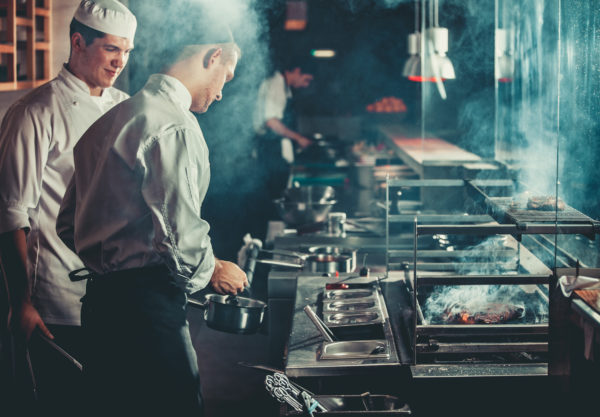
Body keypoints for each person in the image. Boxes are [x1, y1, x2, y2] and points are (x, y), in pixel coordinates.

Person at [55, 13, 246, 416]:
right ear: (212, 57)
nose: (221, 93)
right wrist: (212, 270)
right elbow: (181, 238)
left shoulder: (108, 122)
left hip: (100, 311)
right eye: (225, 77)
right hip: (149, 319)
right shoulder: (173, 126)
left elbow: (68, 223)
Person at [0, 0, 136, 414]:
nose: (120, 61)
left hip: (114, 295)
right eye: (112, 49)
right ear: (78, 41)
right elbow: (10, 212)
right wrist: (21, 301)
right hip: (55, 299)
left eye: (127, 51)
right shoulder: (34, 112)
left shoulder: (124, 106)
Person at [248, 66, 314, 240]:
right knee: (274, 203)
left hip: (273, 151)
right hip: (270, 152)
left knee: (275, 201)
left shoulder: (282, 87)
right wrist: (298, 138)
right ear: (296, 71)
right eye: (306, 79)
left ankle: (270, 242)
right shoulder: (276, 85)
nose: (305, 85)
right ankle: (269, 245)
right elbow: (271, 122)